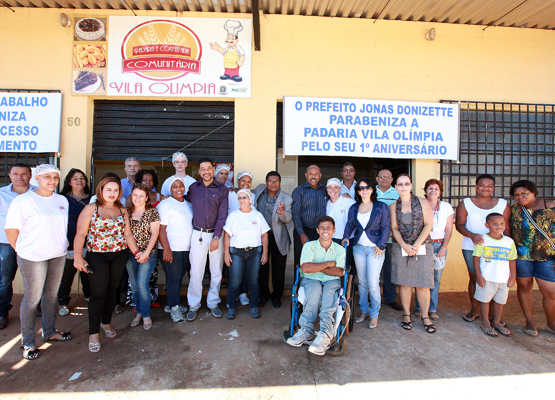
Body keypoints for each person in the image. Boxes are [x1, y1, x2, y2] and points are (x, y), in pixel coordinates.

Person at [5, 164, 72, 360]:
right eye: (47, 177)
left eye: (55, 178)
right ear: (37, 178)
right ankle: (27, 343)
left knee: (51, 296)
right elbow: (11, 230)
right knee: (32, 299)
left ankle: (49, 331)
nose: (52, 181)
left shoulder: (61, 200)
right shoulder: (24, 201)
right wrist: (22, 250)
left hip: (57, 254)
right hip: (32, 257)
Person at [73, 176, 139, 353]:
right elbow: (80, 234)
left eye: (116, 190)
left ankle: (106, 323)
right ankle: (93, 333)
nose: (112, 193)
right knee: (98, 293)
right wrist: (78, 257)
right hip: (97, 257)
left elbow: (128, 235)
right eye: (109, 189)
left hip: (119, 256)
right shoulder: (91, 208)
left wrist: (137, 252)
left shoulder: (122, 210)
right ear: (101, 190)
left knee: (112, 291)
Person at [286, 216, 345, 356]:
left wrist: (317, 267)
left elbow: (339, 272)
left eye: (328, 227)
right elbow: (305, 268)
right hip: (311, 279)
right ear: (317, 230)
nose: (325, 230)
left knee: (328, 297)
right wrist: (327, 264)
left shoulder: (339, 249)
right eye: (322, 227)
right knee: (314, 292)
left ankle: (325, 334)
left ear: (334, 230)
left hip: (332, 281)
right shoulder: (309, 246)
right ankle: (306, 331)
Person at [455, 174, 510, 323]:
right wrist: (471, 235)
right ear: (476, 186)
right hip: (471, 246)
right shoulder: (466, 203)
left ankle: (492, 314)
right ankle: (475, 309)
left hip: (498, 249)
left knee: (494, 278)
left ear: (493, 187)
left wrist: (508, 246)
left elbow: (507, 228)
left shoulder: (502, 204)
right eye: (482, 185)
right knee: (475, 277)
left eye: (490, 186)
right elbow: (459, 224)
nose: (486, 188)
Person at [390, 174, 436, 334]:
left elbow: (429, 224)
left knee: (423, 284)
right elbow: (394, 228)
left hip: (422, 247)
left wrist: (416, 244)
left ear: (411, 186)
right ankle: (406, 315)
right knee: (404, 283)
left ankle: (425, 316)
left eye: (406, 184)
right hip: (401, 246)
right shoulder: (393, 206)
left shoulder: (423, 202)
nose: (403, 187)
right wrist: (404, 245)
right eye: (400, 184)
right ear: (396, 187)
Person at [343, 178, 390, 329]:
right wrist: (345, 236)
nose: (364, 190)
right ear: (357, 191)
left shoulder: (381, 206)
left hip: (375, 249)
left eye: (367, 187)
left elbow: (386, 227)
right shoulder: (354, 207)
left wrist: (381, 245)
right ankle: (364, 311)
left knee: (373, 284)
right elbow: (350, 224)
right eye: (361, 188)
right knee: (362, 282)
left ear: (372, 189)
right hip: (358, 247)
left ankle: (374, 314)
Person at [509, 180, 555, 337]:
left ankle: (551, 324)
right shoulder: (514, 210)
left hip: (548, 256)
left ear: (533, 192)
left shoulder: (551, 206)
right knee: (524, 286)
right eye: (516, 194)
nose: (520, 196)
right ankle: (529, 321)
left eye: (524, 193)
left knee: (550, 292)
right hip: (522, 256)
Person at [185, 157, 228, 321]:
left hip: (216, 234)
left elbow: (222, 216)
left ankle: (213, 303)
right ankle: (193, 305)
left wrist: (217, 236)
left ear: (213, 169)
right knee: (196, 271)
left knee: (216, 271)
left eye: (209, 168)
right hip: (198, 234)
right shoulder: (193, 188)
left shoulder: (222, 189)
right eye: (203, 169)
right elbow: (184, 199)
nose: (206, 171)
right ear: (199, 171)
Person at [0, 163, 36, 330]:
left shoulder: (38, 193)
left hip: (32, 242)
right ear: (10, 175)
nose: (20, 177)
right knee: (5, 280)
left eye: (24, 174)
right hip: (6, 243)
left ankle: (36, 307)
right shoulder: (1, 194)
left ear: (30, 176)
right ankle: (2, 312)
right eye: (16, 173)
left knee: (36, 279)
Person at [224, 189, 270, 319]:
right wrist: (226, 253)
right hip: (236, 252)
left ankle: (254, 306)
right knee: (235, 281)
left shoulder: (257, 215)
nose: (242, 200)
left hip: (254, 252)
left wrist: (265, 252)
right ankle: (231, 306)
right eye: (239, 198)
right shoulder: (233, 215)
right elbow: (227, 235)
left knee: (254, 281)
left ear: (250, 199)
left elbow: (264, 235)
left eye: (244, 197)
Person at [414, 179, 454, 321]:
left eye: (436, 189)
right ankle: (419, 307)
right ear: (425, 191)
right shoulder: (419, 205)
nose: (433, 191)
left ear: (440, 192)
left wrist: (444, 247)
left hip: (438, 246)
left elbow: (449, 229)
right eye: (430, 188)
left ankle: (432, 309)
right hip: (422, 245)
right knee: (421, 278)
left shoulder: (446, 207)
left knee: (435, 280)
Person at [473, 213, 516, 337]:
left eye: (502, 223)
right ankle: (485, 321)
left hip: (503, 279)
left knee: (500, 301)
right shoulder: (482, 240)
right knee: (484, 300)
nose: (499, 226)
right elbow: (476, 259)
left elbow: (512, 260)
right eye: (495, 223)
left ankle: (497, 322)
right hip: (487, 277)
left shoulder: (509, 241)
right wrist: (479, 276)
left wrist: (512, 276)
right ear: (487, 225)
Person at [254, 171, 293, 308]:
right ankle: (263, 295)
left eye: (276, 181)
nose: (273, 184)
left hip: (278, 238)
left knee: (278, 268)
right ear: (266, 182)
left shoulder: (286, 199)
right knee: (262, 268)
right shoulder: (259, 191)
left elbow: (288, 219)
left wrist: (282, 213)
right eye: (271, 181)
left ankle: (277, 296)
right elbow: (245, 190)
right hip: (260, 238)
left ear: (280, 183)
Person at [157, 177, 193, 322]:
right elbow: (161, 229)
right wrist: (166, 249)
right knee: (173, 278)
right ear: (169, 189)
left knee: (178, 277)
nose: (179, 189)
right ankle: (174, 307)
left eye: (181, 186)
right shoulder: (165, 204)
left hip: (185, 248)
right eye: (175, 187)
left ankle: (170, 304)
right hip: (171, 248)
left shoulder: (188, 204)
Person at [57, 168, 92, 316]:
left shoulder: (92, 199)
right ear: (69, 182)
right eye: (75, 178)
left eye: (82, 178)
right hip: (67, 242)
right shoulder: (61, 199)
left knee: (88, 273)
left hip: (89, 242)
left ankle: (89, 296)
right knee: (67, 275)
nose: (79, 181)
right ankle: (63, 302)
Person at [126, 185, 160, 330]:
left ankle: (146, 315)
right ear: (131, 196)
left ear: (147, 198)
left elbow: (155, 234)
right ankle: (138, 312)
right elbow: (126, 234)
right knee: (133, 284)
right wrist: (135, 252)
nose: (137, 198)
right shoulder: (126, 212)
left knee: (142, 284)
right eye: (135, 195)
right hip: (131, 253)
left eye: (141, 196)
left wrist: (145, 253)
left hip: (149, 254)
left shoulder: (152, 212)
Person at [227, 170, 256, 305]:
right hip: (231, 236)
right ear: (237, 181)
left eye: (249, 181)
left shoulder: (253, 196)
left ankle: (243, 293)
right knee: (233, 270)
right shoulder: (230, 193)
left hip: (248, 240)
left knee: (245, 271)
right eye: (243, 180)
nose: (246, 183)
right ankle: (233, 296)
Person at [376, 169, 402, 311]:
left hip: (392, 238)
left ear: (392, 179)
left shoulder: (398, 193)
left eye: (387, 177)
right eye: (382, 177)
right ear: (377, 179)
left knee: (390, 269)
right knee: (373, 269)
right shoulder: (371, 192)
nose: (384, 179)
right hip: (373, 238)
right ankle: (372, 296)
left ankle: (390, 297)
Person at [292, 165, 328, 267]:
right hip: (303, 231)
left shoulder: (325, 190)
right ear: (306, 175)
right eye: (311, 174)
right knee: (301, 261)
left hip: (320, 232)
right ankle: (299, 283)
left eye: (316, 174)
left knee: (318, 261)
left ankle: (315, 282)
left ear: (320, 176)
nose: (313, 176)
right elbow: (295, 213)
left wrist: (345, 195)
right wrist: (301, 234)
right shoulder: (299, 191)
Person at [326, 178, 355, 273]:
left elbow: (355, 219)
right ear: (327, 189)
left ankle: (346, 287)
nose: (333, 190)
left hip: (345, 241)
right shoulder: (326, 204)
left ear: (340, 189)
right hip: (330, 241)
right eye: (330, 187)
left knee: (344, 268)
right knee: (332, 267)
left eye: (336, 187)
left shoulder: (347, 201)